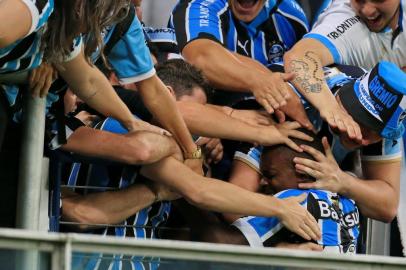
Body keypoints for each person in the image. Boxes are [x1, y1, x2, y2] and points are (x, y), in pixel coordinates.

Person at [227, 61, 405, 224]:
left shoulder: (388, 119)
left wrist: (343, 181)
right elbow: (233, 207)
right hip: (225, 134)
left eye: (376, 133)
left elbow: (387, 207)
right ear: (348, 101)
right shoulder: (292, 104)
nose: (363, 140)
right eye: (362, 125)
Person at [178, 131, 360, 253]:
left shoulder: (296, 200)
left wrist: (181, 187)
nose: (263, 182)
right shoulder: (348, 203)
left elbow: (219, 243)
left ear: (303, 174)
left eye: (270, 174)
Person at [283, 0, 405, 139]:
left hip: (382, 118)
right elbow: (298, 57)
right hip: (329, 124)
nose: (367, 10)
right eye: (359, 0)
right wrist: (331, 109)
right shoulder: (347, 24)